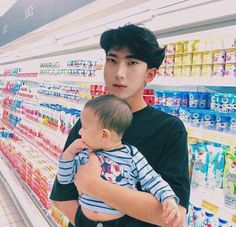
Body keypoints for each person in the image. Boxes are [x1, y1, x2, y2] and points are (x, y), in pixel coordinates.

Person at [50, 24, 190, 227]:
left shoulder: (169, 129)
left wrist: (95, 186)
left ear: (150, 74)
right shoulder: (88, 121)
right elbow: (62, 196)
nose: (119, 73)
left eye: (132, 62)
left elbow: (173, 216)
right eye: (112, 60)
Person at [57, 94, 181, 227]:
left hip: (119, 223)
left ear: (104, 134)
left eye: (84, 127)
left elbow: (153, 180)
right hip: (83, 221)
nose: (80, 132)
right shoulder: (84, 154)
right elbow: (64, 179)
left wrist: (168, 198)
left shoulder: (131, 155)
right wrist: (68, 154)